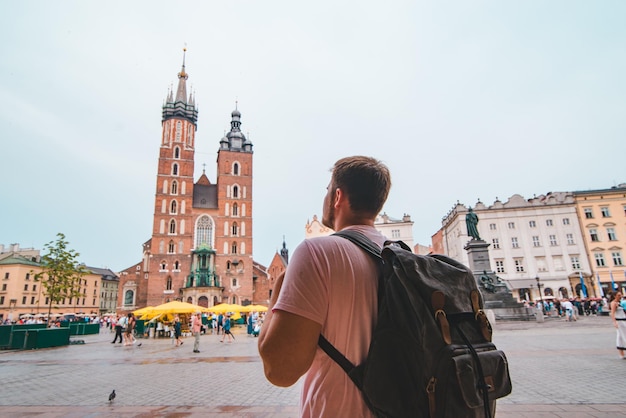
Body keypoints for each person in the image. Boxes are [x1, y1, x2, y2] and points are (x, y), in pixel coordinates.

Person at [259, 156, 391, 417]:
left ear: (337, 197)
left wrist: (277, 295)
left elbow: (280, 371)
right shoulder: (402, 256)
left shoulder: (317, 252)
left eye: (327, 190)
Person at [610, 292, 626, 359]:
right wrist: (614, 322)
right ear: (614, 296)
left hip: (623, 320)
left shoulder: (619, 303)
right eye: (618, 295)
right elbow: (612, 313)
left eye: (620, 295)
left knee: (620, 336)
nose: (620, 296)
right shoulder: (613, 303)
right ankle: (622, 353)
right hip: (620, 321)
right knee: (623, 335)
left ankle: (622, 354)